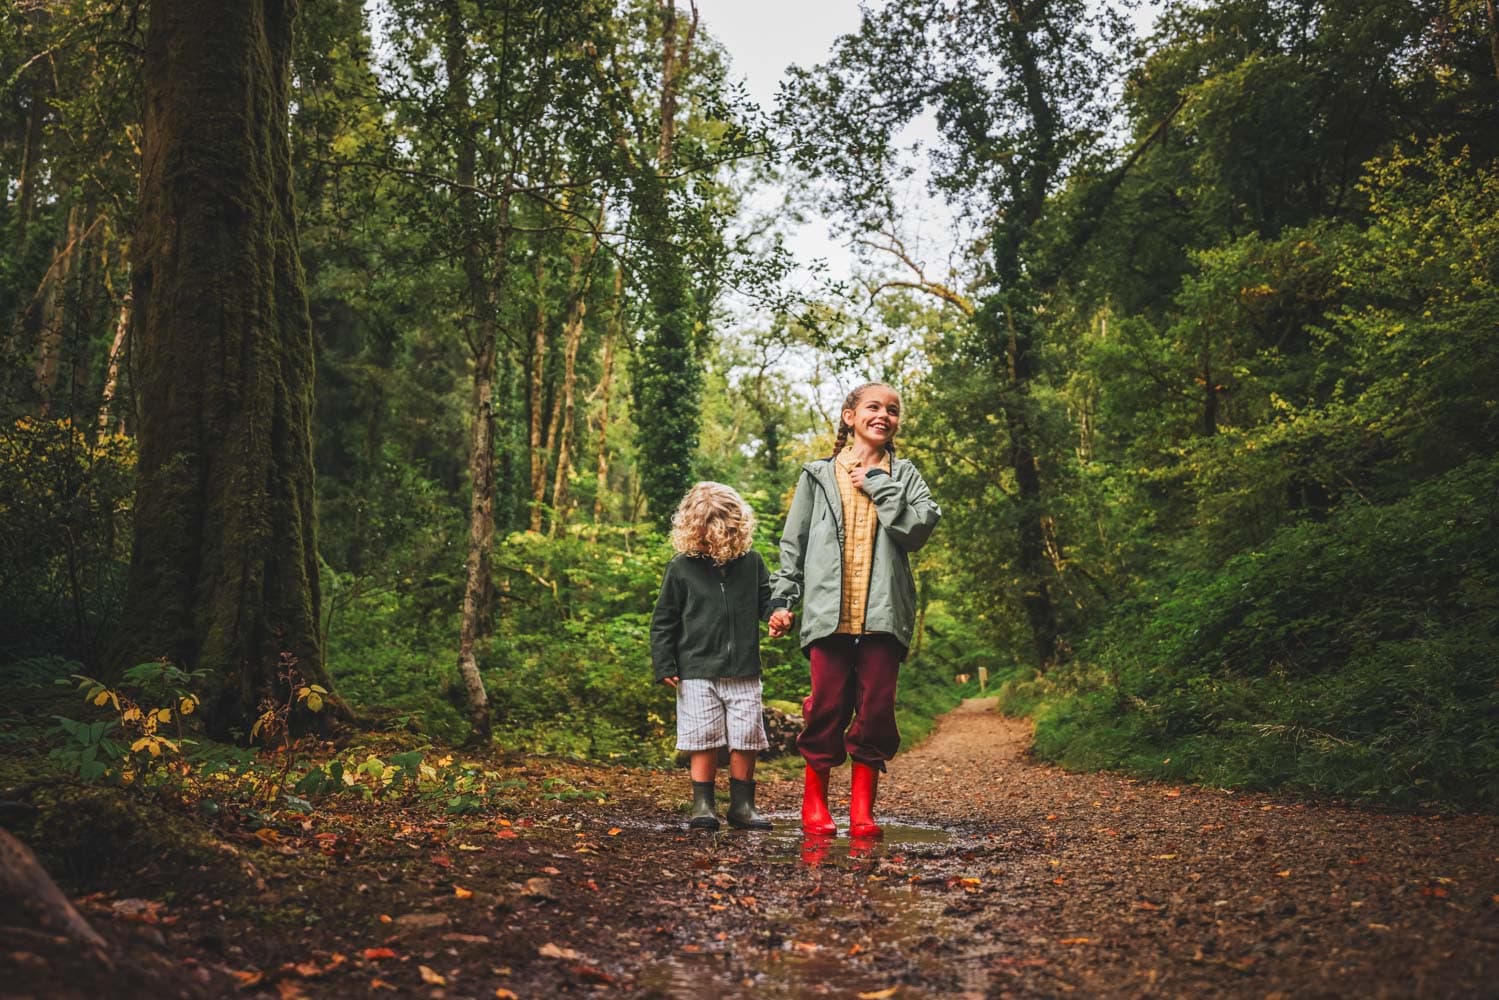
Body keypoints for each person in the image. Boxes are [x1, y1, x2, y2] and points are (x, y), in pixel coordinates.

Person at [768, 382, 940, 838]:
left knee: (877, 708)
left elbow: (919, 528)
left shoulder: (905, 476)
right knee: (826, 705)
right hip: (829, 614)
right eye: (873, 407)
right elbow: (794, 544)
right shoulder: (817, 474)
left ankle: (862, 811)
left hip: (884, 615)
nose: (884, 415)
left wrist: (882, 487)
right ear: (850, 417)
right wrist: (783, 601)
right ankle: (815, 803)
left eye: (893, 409)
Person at [651, 482, 776, 832]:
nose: (715, 543)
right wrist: (664, 663)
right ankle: (702, 805)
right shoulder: (681, 567)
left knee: (746, 736)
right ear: (693, 529)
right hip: (695, 669)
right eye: (706, 536)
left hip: (744, 670)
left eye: (722, 534)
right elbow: (664, 620)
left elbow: (767, 600)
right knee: (701, 737)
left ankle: (742, 806)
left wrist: (778, 614)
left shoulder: (751, 562)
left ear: (737, 529)